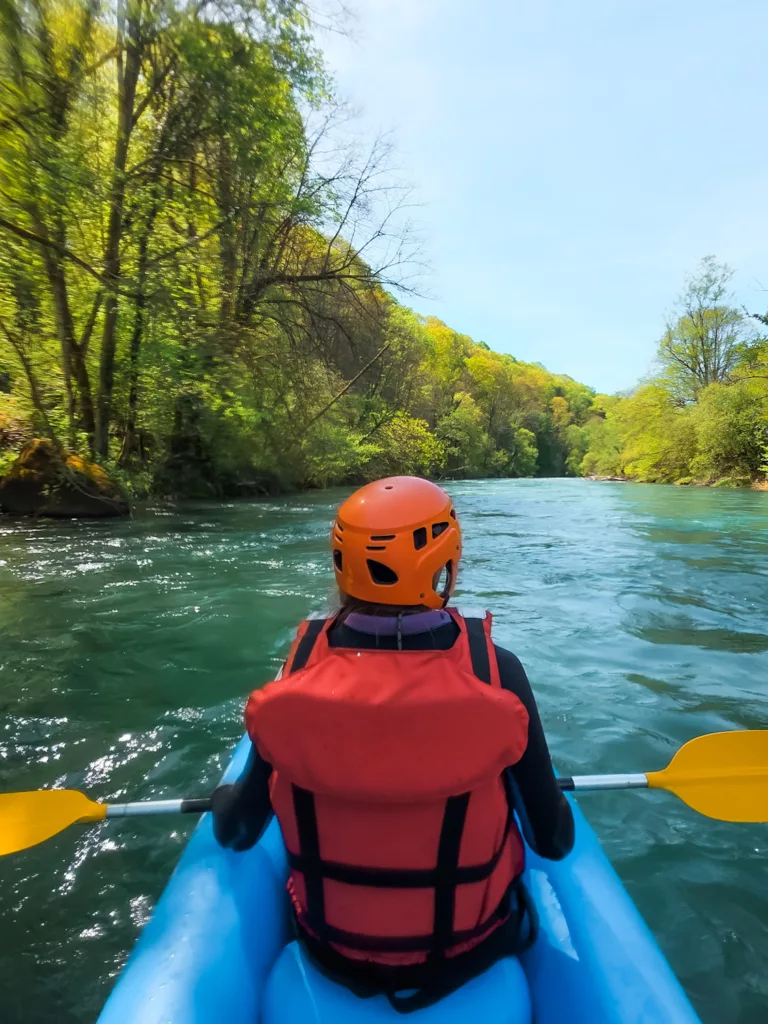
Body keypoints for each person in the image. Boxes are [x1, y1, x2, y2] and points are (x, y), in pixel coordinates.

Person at [212, 476, 574, 1011]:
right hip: (469, 952)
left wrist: (222, 798)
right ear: (443, 564)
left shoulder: (299, 672)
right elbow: (552, 840)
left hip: (329, 953)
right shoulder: (497, 674)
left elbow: (237, 831)